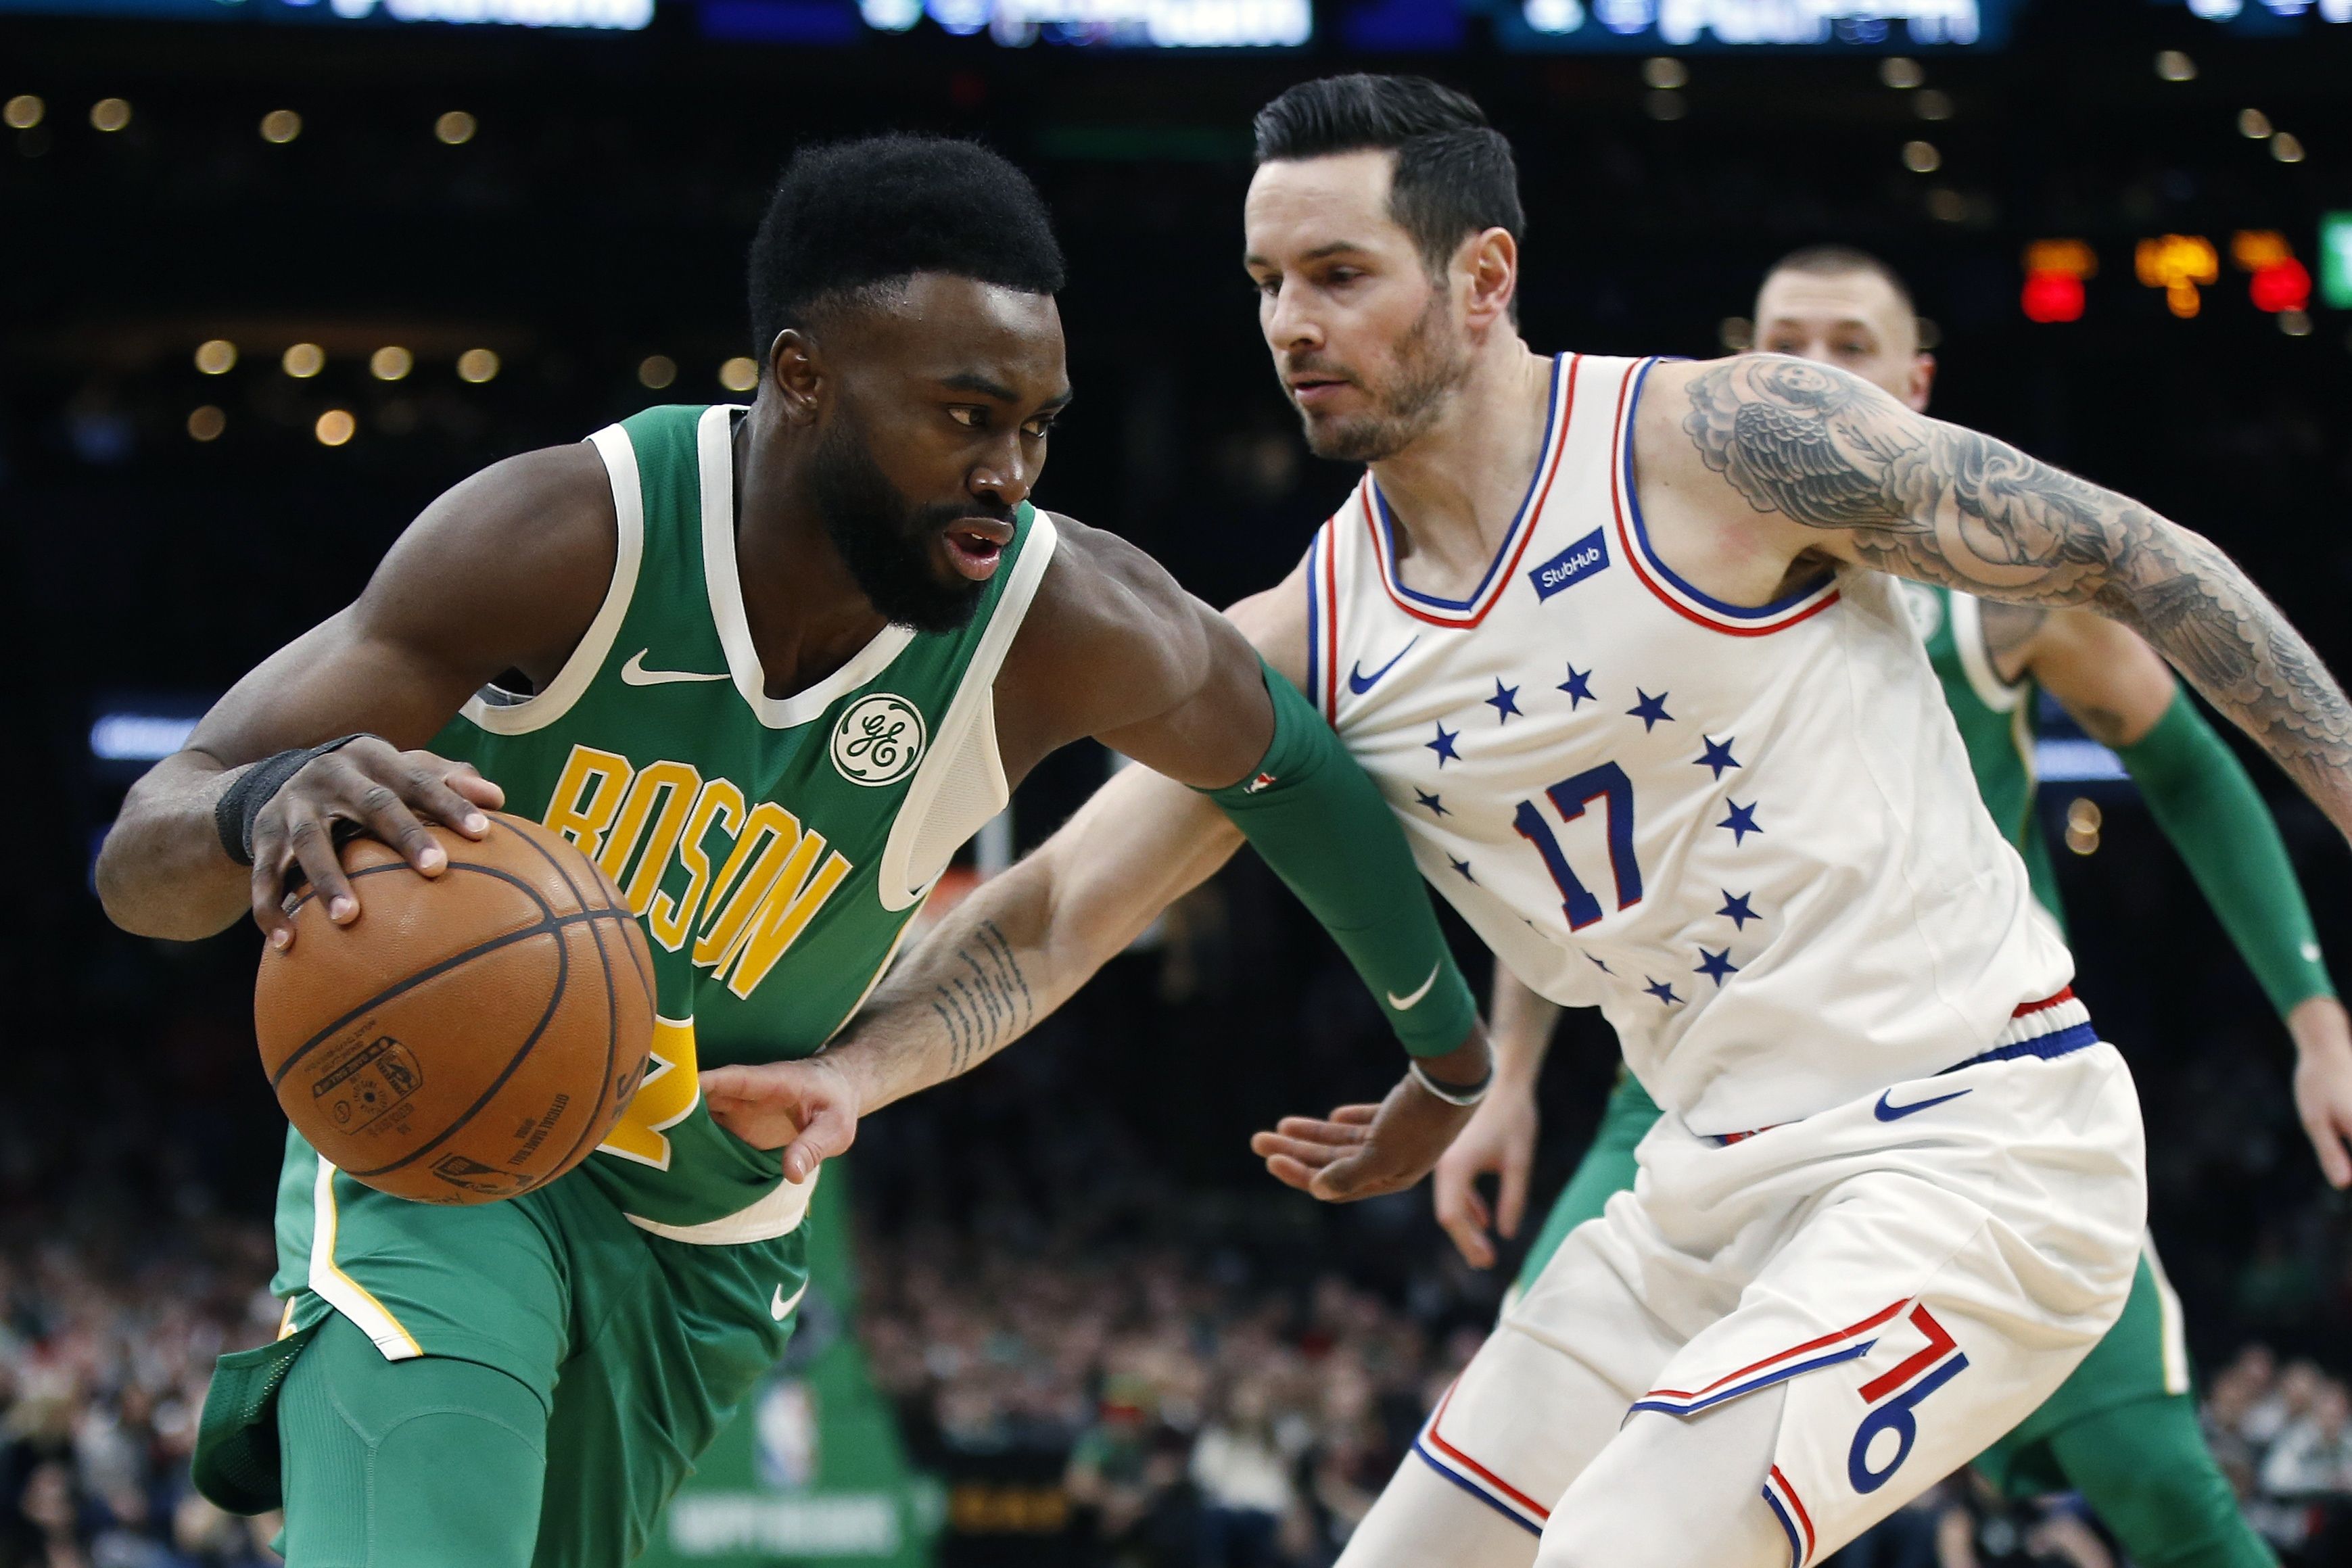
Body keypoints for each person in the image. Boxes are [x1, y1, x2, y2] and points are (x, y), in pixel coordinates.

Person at [706, 76, 2352, 1568]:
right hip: (1696, 1193)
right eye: (1267, 282)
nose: (1289, 322)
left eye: (1339, 273)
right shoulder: (1308, 632)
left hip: (1971, 1145)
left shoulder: (1716, 443)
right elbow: (1064, 902)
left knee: (1628, 1546)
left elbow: (2135, 557)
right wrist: (856, 1069)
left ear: (1481, 278)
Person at [93, 135, 1489, 1567]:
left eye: (1035, 424)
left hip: (706, 1223)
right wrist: (254, 798)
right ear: (801, 376)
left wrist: (1445, 1052)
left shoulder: (1068, 615)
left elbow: (1290, 766)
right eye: (963, 412)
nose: (1004, 469)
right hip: (444, 1151)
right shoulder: (567, 535)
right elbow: (142, 854)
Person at [1428, 244, 2352, 1568]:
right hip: (1687, 1107)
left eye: (1849, 345)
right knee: (1521, 1489)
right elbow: (1576, 862)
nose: (1810, 371)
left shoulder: (2000, 597)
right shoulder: (1639, 586)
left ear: (1914, 384)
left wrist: (2313, 1012)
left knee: (2157, 1490)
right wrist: (1508, 1073)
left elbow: (2191, 769)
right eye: (1781, 340)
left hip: (1949, 1093)